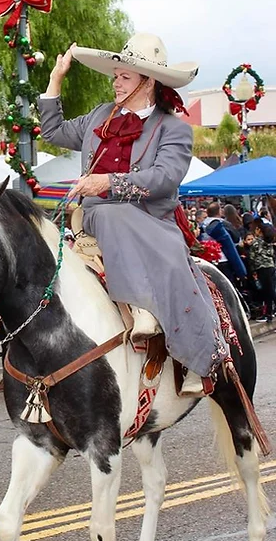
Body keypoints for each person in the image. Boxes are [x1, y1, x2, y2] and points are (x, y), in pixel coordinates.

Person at [39, 33, 227, 396]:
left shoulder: (173, 129)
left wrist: (107, 182)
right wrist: (55, 78)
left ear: (148, 81)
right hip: (98, 216)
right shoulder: (98, 116)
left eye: (124, 76)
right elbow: (52, 131)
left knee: (164, 254)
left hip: (152, 220)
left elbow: (164, 178)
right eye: (115, 75)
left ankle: (190, 353)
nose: (115, 81)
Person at [200, 202, 247, 285]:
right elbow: (236, 239)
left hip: (207, 260)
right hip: (223, 259)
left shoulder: (201, 225)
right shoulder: (223, 224)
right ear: (219, 211)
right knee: (226, 285)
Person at [244, 220, 276, 323]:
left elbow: (252, 258)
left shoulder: (256, 243)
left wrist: (253, 271)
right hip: (271, 267)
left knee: (267, 292)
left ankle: (268, 314)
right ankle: (269, 313)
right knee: (270, 290)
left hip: (261, 269)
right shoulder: (269, 243)